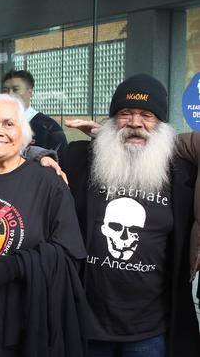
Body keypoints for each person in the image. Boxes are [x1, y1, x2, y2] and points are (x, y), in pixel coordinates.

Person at [61, 74, 200, 356]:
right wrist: (41, 155)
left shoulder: (181, 172)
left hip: (151, 330)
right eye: (125, 114)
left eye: (147, 115)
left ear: (162, 126)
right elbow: (24, 158)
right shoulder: (78, 160)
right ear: (112, 122)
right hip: (86, 324)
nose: (135, 123)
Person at [0, 94, 87, 357]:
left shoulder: (48, 183)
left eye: (8, 124)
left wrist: (18, 265)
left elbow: (70, 256)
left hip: (24, 330)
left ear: (24, 134)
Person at [2, 70, 68, 157]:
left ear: (30, 92)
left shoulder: (48, 128)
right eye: (5, 90)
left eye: (15, 89)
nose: (9, 94)